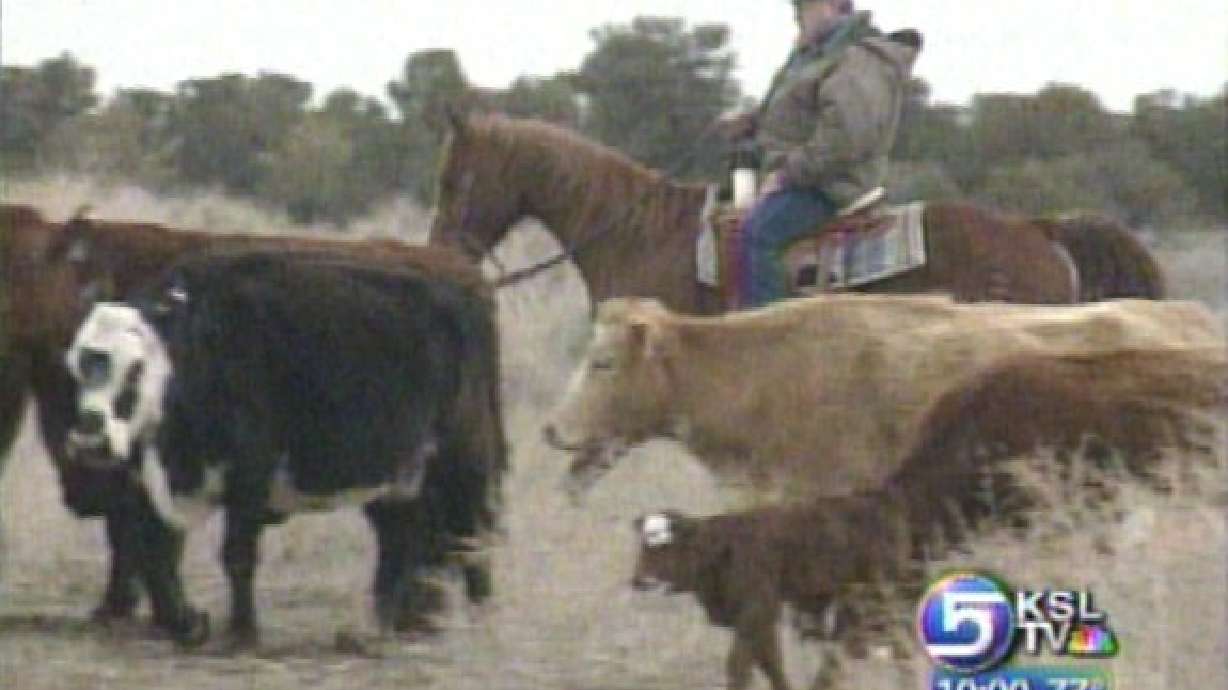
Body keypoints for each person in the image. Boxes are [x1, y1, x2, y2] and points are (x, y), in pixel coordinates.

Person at [722, 0, 921, 308]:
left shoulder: (858, 59)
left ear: (831, 6)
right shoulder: (814, 55)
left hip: (829, 185)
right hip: (800, 176)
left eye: (802, 8)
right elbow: (797, 112)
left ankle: (768, 327)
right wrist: (753, 122)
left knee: (756, 234)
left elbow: (846, 139)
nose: (797, 18)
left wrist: (787, 175)